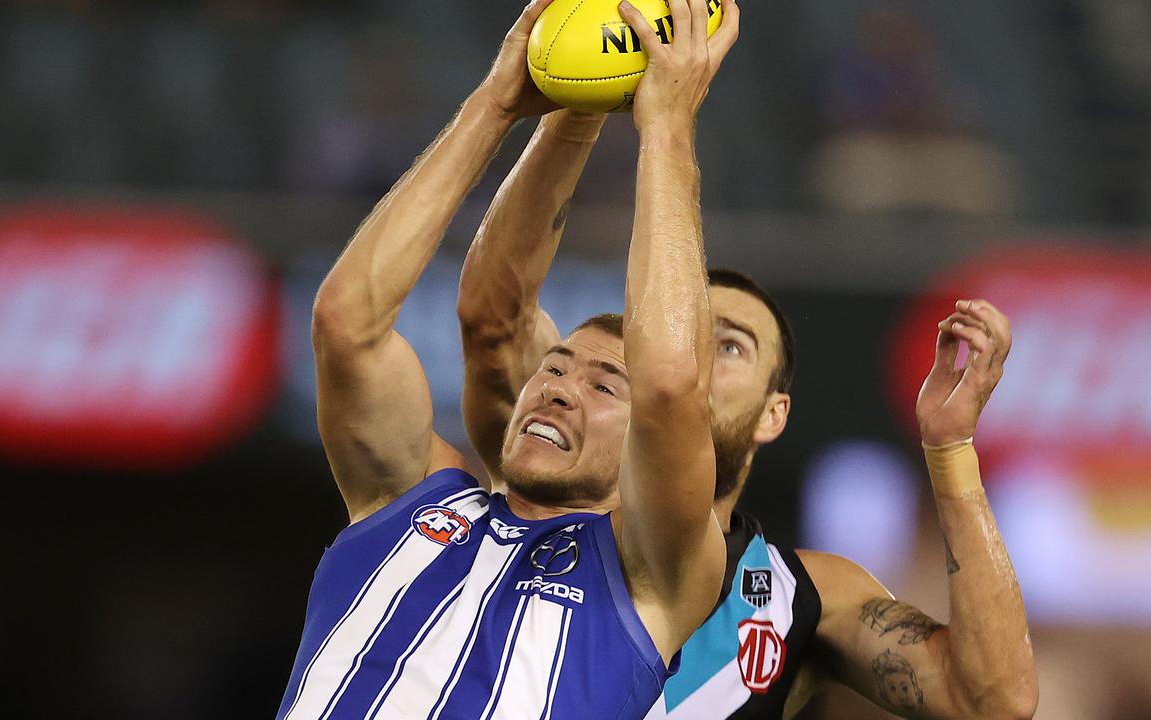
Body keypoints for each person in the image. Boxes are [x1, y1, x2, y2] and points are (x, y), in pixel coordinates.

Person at [457, 95, 1039, 720]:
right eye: (685, 336)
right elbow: (496, 321)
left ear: (773, 414)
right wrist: (572, 111)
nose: (694, 363)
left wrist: (950, 450)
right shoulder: (550, 490)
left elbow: (995, 702)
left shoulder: (804, 595)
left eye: (728, 345)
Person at [273, 0, 743, 717]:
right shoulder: (415, 498)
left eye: (603, 384)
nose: (557, 388)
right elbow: (348, 324)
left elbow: (672, 385)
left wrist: (668, 130)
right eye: (554, 367)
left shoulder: (653, 573)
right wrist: (498, 106)